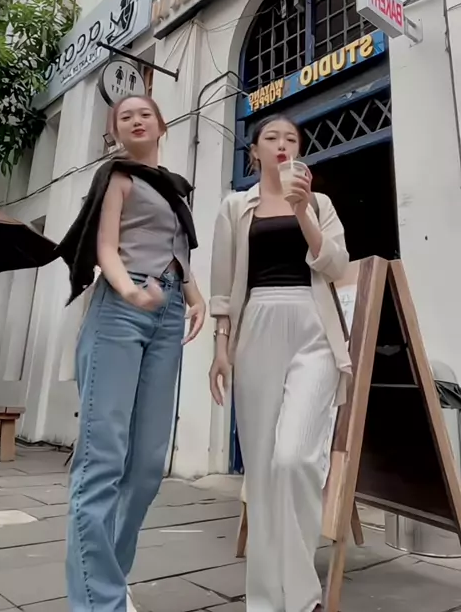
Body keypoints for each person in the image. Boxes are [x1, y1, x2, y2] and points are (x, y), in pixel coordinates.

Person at [65, 95, 206, 612]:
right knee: (102, 460)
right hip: (120, 312)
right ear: (116, 132)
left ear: (162, 125)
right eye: (125, 117)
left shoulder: (173, 187)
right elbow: (106, 248)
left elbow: (177, 253)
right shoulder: (117, 178)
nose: (136, 120)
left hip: (167, 313)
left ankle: (110, 577)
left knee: (146, 467)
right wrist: (130, 292)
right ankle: (97, 602)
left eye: (144, 113)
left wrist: (195, 296)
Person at [209, 114, 351, 612]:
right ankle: (268, 600)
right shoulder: (235, 206)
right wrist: (221, 347)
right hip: (257, 328)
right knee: (263, 474)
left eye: (291, 138)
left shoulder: (321, 204)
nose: (282, 144)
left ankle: (304, 595)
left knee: (295, 459)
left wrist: (303, 210)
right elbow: (223, 284)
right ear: (255, 151)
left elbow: (336, 264)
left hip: (314, 328)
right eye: (271, 137)